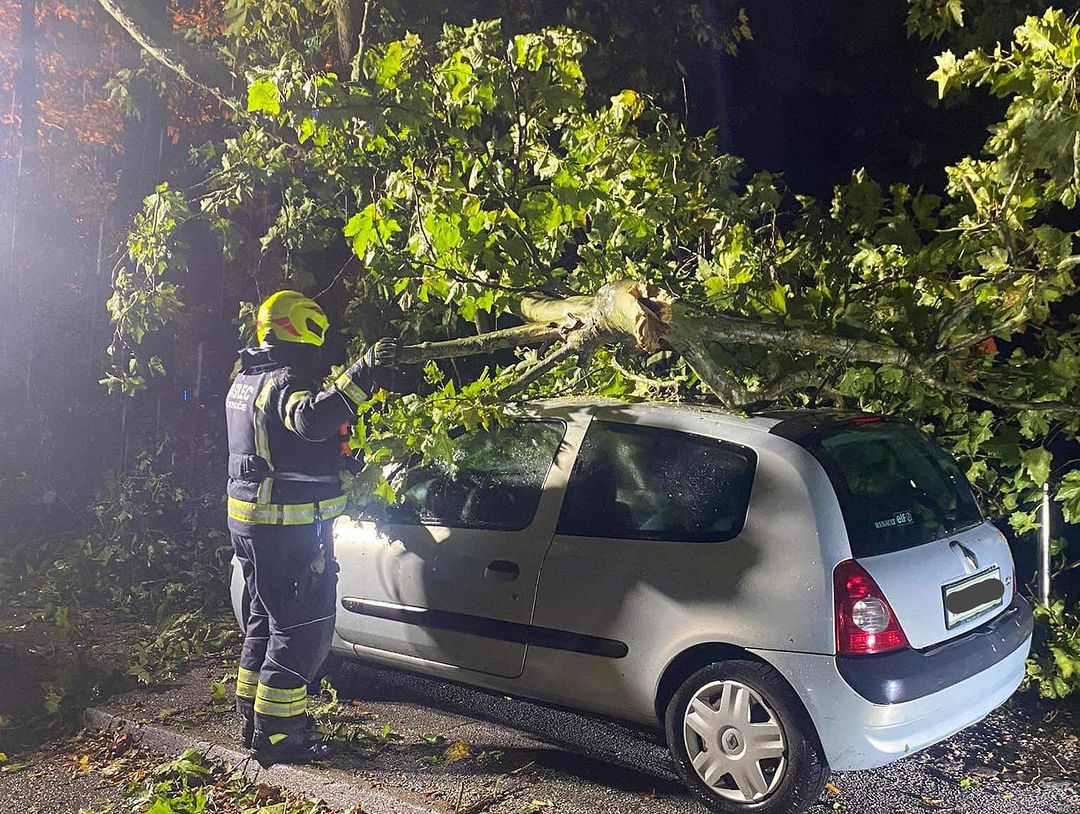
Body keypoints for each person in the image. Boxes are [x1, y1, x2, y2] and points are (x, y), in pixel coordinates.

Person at [225, 289, 399, 765]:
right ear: (303, 329)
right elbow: (311, 419)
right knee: (301, 630)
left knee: (264, 624)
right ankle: (282, 737)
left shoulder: (246, 378)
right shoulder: (284, 381)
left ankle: (252, 721)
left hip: (254, 524)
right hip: (288, 528)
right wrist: (362, 373)